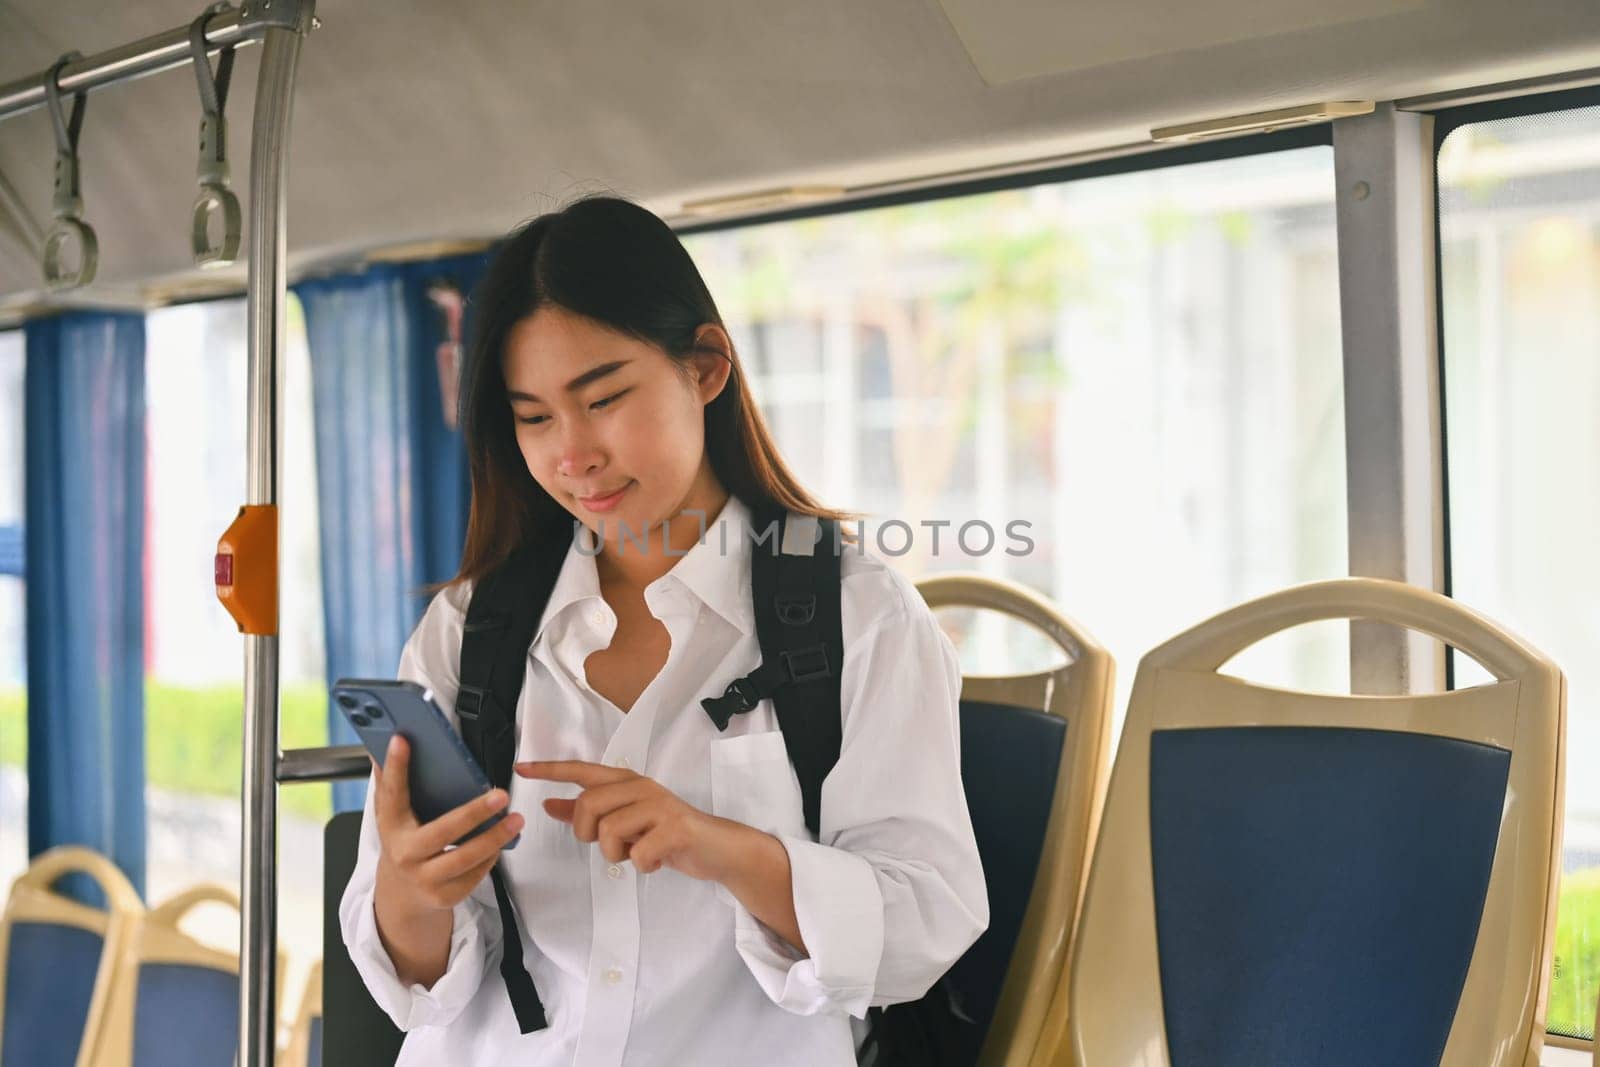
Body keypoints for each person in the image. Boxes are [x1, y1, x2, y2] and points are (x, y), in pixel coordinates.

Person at [339, 195, 989, 1066]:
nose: (572, 454)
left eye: (603, 397)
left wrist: (720, 847)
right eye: (534, 417)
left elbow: (925, 920)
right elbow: (419, 985)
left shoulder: (857, 617)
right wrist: (412, 887)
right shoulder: (467, 631)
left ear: (707, 366)